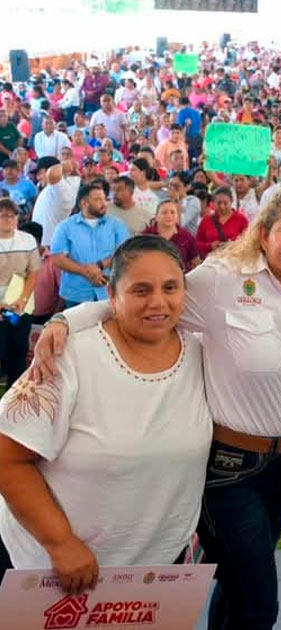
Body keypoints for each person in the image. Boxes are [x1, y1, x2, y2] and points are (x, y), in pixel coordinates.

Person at [35, 183, 281, 629]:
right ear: (264, 232)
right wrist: (65, 319)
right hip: (230, 473)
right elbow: (148, 296)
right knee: (259, 606)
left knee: (237, 595)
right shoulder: (223, 280)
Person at [0, 236, 209, 592]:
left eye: (170, 287)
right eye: (140, 290)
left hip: (152, 576)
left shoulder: (203, 354)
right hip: (53, 573)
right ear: (112, 296)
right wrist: (60, 543)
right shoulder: (67, 358)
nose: (158, 302)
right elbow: (7, 457)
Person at [50, 183, 131, 307]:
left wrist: (99, 265)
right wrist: (85, 271)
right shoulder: (65, 227)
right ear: (84, 203)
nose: (104, 203)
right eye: (98, 199)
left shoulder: (117, 224)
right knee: (78, 326)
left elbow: (126, 252)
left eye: (104, 199)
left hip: (109, 290)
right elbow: (57, 259)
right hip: (76, 292)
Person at [0, 200, 40, 385]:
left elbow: (34, 271)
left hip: (20, 302)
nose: (8, 219)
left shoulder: (27, 240)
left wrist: (22, 299)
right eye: (3, 215)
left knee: (18, 347)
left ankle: (15, 389)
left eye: (12, 215)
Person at [143, 199, 200, 270]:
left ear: (177, 217)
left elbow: (195, 262)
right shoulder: (145, 236)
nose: (169, 215)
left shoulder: (187, 237)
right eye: (164, 213)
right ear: (156, 217)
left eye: (172, 212)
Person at [196, 187, 250, 257]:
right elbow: (196, 244)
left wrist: (232, 245)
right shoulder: (206, 220)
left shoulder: (241, 220)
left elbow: (248, 242)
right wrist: (210, 246)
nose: (222, 207)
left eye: (225, 203)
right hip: (211, 262)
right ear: (213, 203)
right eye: (219, 203)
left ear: (231, 201)